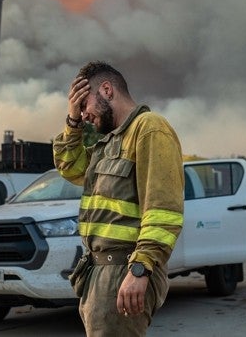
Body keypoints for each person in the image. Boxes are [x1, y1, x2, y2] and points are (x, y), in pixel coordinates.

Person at [52, 61, 184, 336]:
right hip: (99, 272)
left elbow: (163, 211)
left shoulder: (149, 128)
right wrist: (72, 122)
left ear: (107, 90)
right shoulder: (109, 142)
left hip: (124, 269)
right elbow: (69, 167)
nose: (84, 113)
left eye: (84, 104)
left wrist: (140, 269)